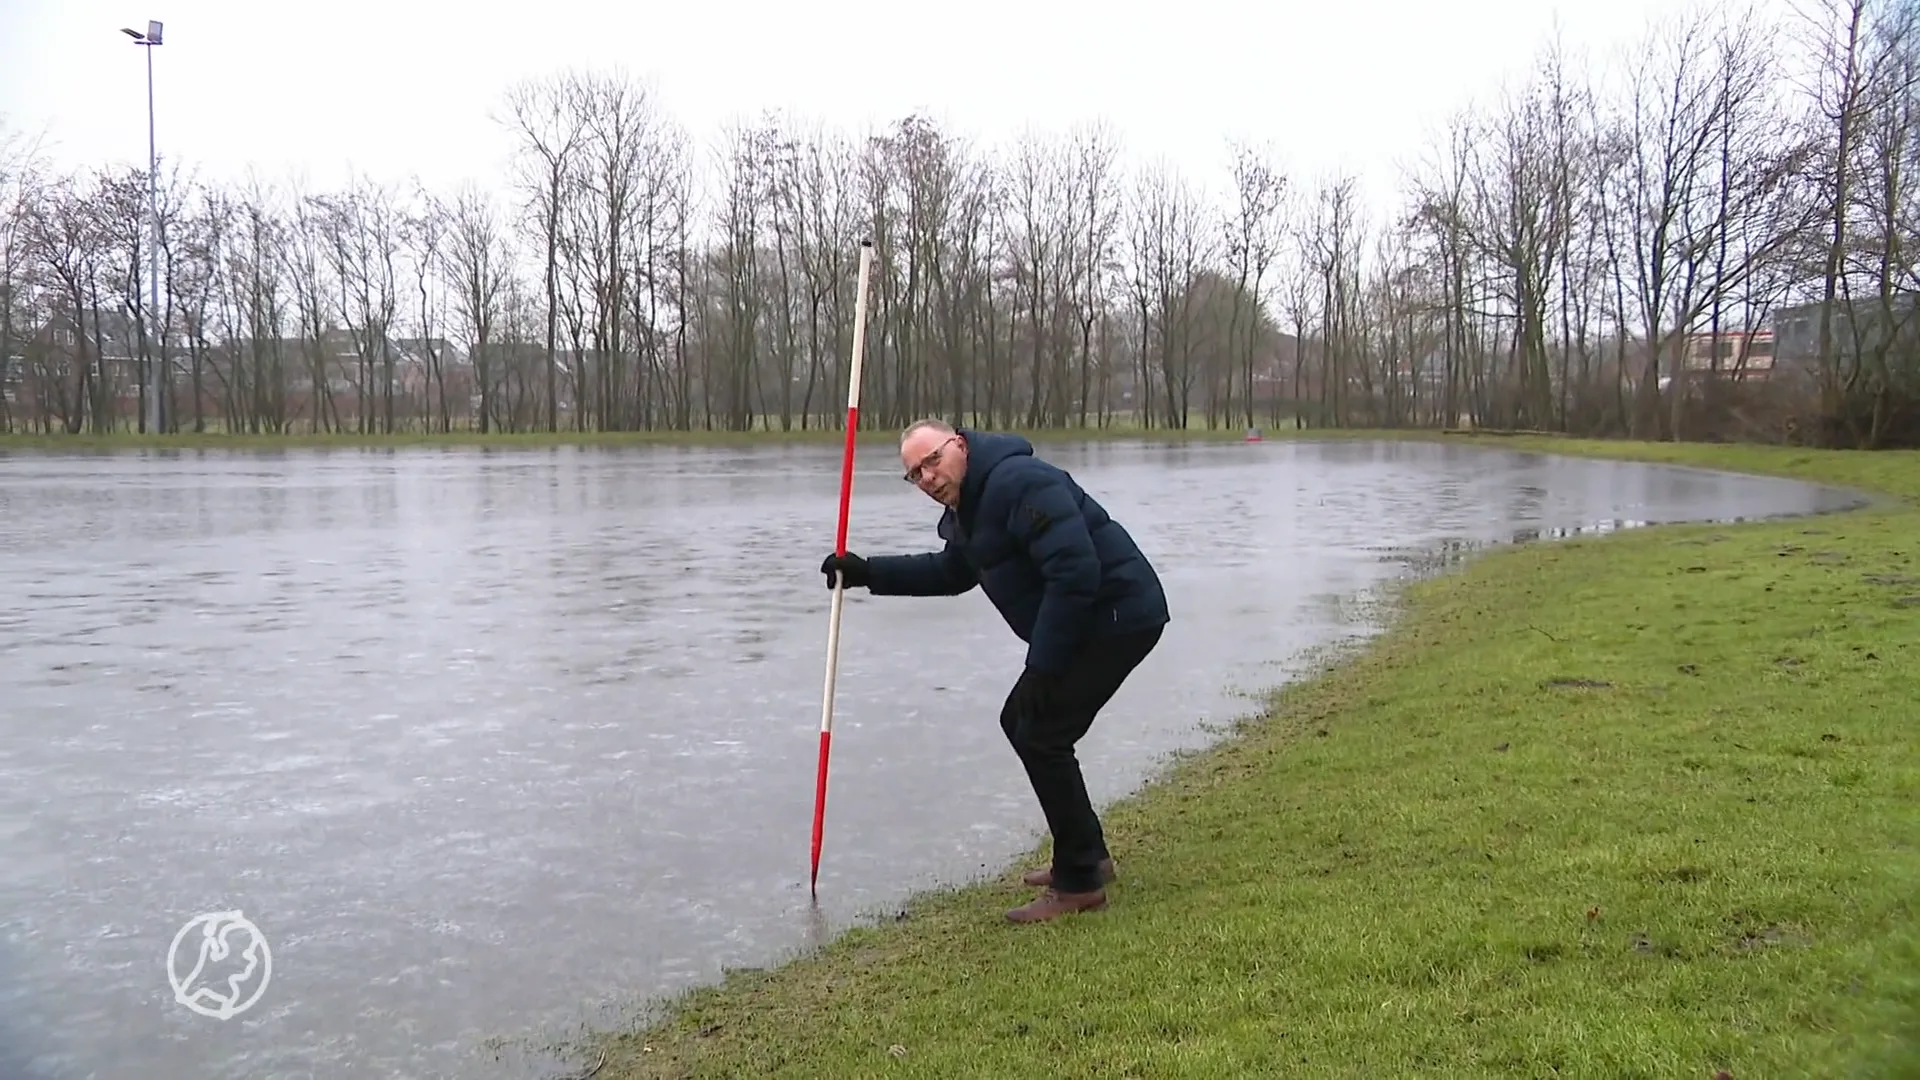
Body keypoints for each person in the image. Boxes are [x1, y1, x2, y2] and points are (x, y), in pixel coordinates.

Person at [820, 419, 1170, 924]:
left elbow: (1075, 572)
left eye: (933, 461)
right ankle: (1087, 853)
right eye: (916, 474)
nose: (928, 478)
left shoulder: (1019, 482)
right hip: (1091, 622)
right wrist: (867, 572)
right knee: (1027, 726)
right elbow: (952, 573)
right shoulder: (970, 507)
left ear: (959, 445)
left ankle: (1080, 881)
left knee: (1040, 730)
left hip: (1119, 614)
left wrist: (1043, 667)